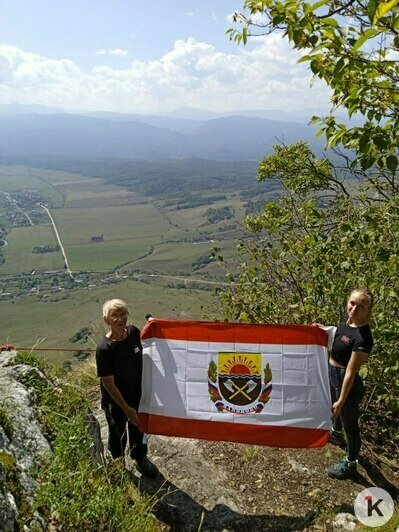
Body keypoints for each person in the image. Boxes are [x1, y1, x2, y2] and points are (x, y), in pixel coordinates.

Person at [96, 298, 158, 478]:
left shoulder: (133, 333)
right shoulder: (104, 349)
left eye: (123, 314)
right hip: (115, 402)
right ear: (106, 320)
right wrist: (127, 409)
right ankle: (118, 466)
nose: (120, 318)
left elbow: (149, 349)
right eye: (114, 315)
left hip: (136, 395)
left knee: (139, 428)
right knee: (118, 435)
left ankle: (140, 458)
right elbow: (108, 384)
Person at [326, 288, 374, 479]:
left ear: (368, 312)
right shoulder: (347, 320)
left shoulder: (363, 337)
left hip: (347, 382)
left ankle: (351, 463)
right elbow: (337, 336)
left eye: (361, 306)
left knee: (350, 423)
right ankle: (336, 434)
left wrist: (342, 400)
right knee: (335, 411)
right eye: (352, 303)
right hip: (333, 373)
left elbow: (351, 372)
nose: (354, 308)